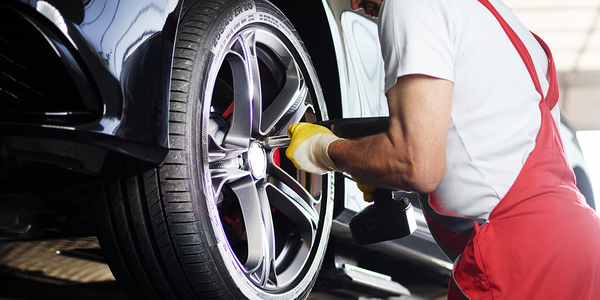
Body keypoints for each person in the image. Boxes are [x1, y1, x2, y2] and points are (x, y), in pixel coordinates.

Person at [285, 0, 600, 298]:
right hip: (583, 247)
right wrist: (370, 158)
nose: (355, 4)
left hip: (524, 258)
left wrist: (326, 150)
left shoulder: (411, 5)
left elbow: (416, 165)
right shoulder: (503, 22)